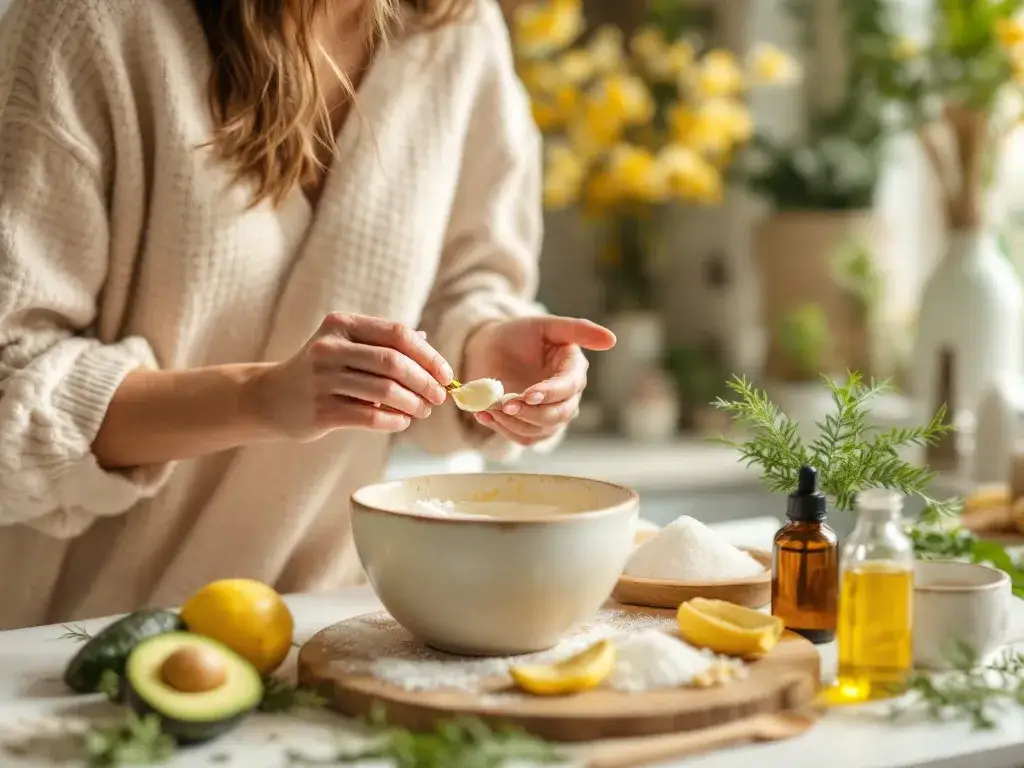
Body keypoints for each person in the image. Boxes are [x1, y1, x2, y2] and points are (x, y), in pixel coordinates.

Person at [0, 0, 616, 630]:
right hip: (81, 643)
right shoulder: (87, 22)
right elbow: (9, 385)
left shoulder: (453, 26)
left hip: (326, 626)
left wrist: (484, 348)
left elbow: (467, 281)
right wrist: (260, 397)